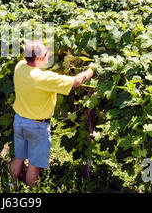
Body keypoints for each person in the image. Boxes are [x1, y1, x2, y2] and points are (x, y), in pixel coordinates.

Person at [10, 40, 96, 189]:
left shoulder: (19, 67)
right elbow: (76, 81)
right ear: (38, 58)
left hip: (19, 121)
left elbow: (31, 61)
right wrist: (91, 70)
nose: (48, 56)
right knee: (34, 165)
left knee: (19, 157)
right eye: (45, 54)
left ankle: (11, 184)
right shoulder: (44, 78)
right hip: (36, 126)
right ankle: (32, 193)